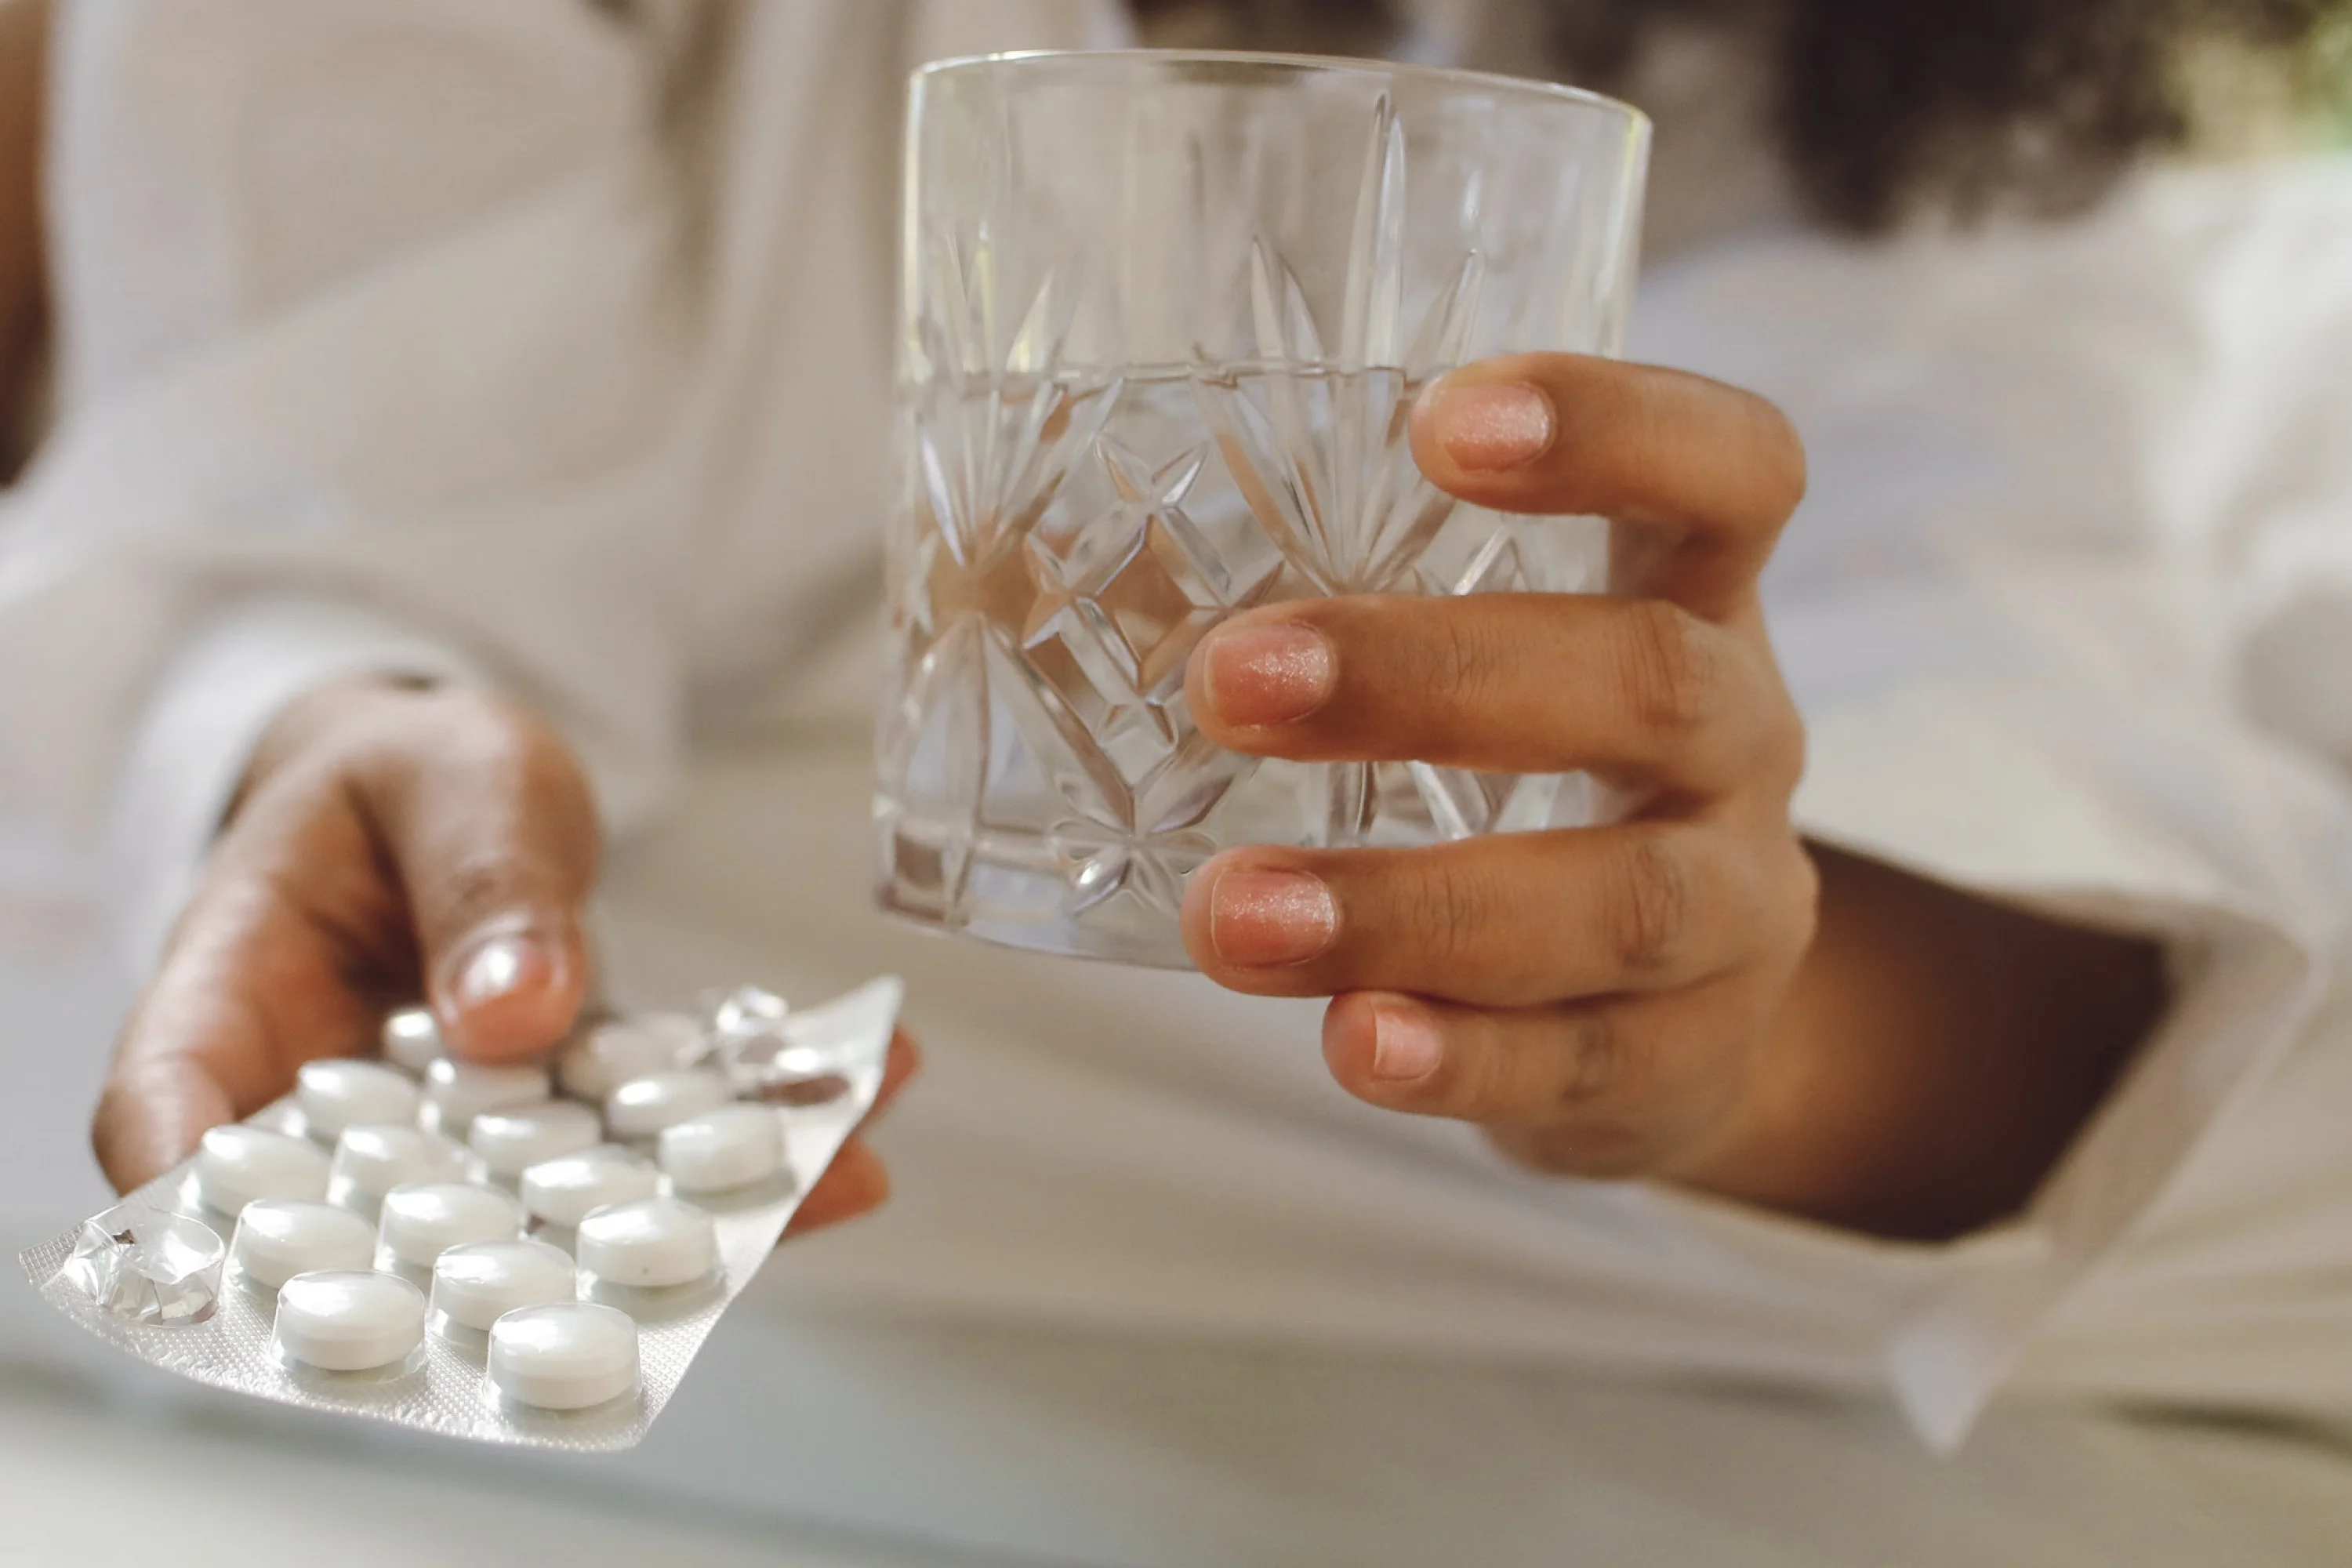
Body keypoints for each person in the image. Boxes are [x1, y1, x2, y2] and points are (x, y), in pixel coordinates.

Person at [1, 0, 2348, 1501]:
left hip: (1487, 1063)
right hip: (623, 949)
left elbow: (1993, 741)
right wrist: (321, 732)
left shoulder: (1893, 76)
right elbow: (299, 513)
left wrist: (1730, 1029)